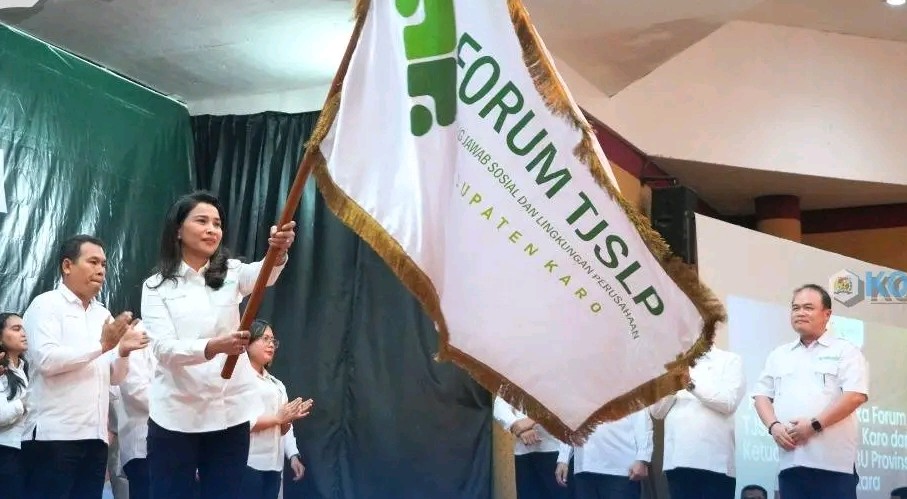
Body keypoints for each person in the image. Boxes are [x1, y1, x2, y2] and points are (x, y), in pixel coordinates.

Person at [141, 191, 296, 499]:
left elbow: (264, 274)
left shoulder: (232, 272)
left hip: (230, 413)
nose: (212, 229)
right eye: (202, 221)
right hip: (176, 415)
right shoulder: (157, 286)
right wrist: (213, 346)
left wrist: (278, 252)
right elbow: (164, 350)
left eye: (217, 223)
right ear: (178, 230)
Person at [21, 234, 149, 499]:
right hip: (53, 436)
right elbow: (46, 360)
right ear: (67, 265)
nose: (101, 270)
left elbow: (115, 377)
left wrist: (123, 352)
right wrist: (102, 345)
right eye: (93, 262)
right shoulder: (45, 305)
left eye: (104, 264)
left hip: (95, 438)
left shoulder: (103, 314)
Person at [753, 284, 869, 499]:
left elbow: (855, 395)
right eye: (795, 308)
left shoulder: (845, 350)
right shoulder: (779, 354)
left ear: (827, 314)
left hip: (833, 466)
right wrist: (773, 426)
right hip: (791, 463)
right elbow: (761, 396)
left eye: (808, 307)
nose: (800, 313)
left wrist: (814, 425)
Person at [649, 345, 745, 499]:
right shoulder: (670, 362)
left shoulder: (729, 360)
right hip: (678, 461)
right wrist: (672, 386)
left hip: (716, 462)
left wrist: (691, 385)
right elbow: (657, 412)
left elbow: (729, 403)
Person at [241, 319, 311, 499]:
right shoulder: (239, 379)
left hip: (273, 466)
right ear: (248, 343)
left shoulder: (277, 385)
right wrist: (278, 418)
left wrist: (293, 454)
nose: (271, 344)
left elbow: (283, 428)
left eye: (273, 340)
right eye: (265, 339)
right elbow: (239, 424)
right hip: (246, 464)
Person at [555, 409, 653, 499]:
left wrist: (642, 458)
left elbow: (642, 421)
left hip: (620, 468)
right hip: (584, 467)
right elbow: (570, 420)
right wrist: (563, 458)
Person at [493, 396, 568, 499]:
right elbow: (499, 406)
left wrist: (532, 421)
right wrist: (515, 425)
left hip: (556, 449)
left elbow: (566, 406)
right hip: (524, 451)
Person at [117, 338, 156, 499]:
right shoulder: (137, 334)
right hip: (143, 446)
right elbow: (135, 390)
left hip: (185, 441)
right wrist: (177, 409)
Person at [0, 312, 28, 499]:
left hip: (27, 451)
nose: (24, 334)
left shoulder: (26, 369)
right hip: (6, 452)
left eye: (25, 329)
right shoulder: (1, 371)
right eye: (16, 329)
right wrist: (25, 403)